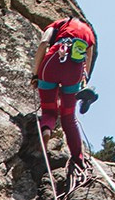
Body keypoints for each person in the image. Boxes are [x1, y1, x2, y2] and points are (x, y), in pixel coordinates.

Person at [31, 14, 97, 176]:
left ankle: (46, 131)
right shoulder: (89, 33)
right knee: (68, 117)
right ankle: (78, 157)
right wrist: (82, 83)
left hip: (52, 62)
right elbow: (87, 62)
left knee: (49, 110)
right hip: (74, 71)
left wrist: (35, 74)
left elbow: (43, 44)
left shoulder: (59, 24)